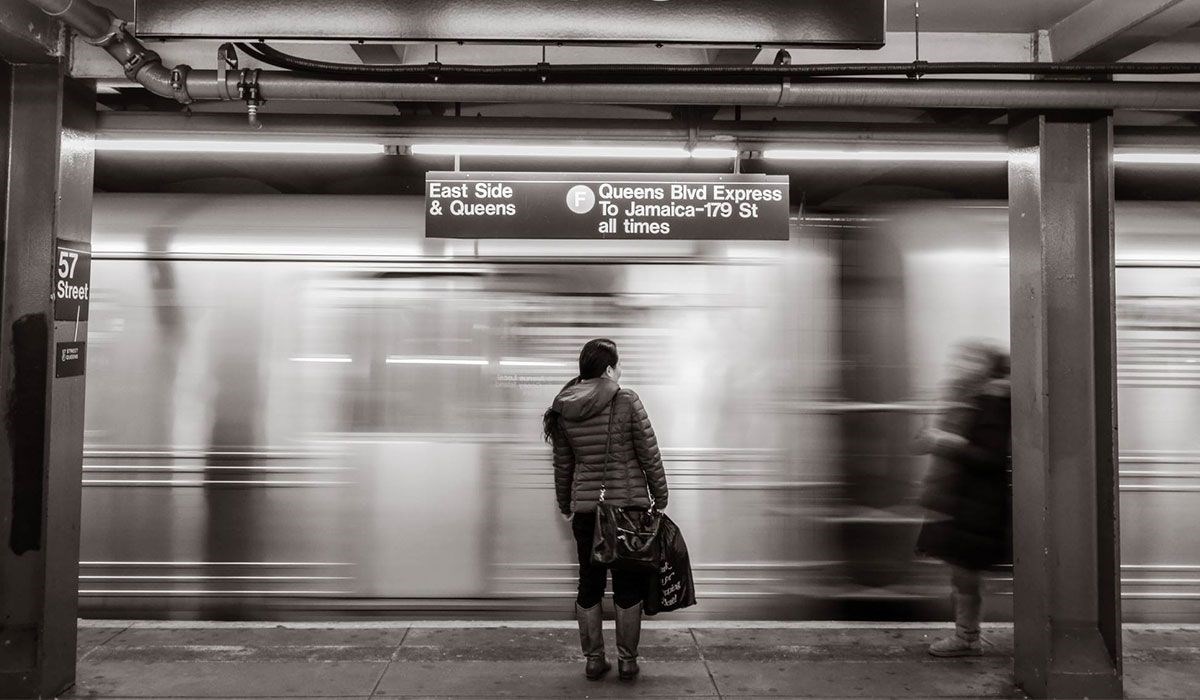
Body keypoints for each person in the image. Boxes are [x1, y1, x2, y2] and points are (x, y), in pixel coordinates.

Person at [543, 338, 669, 681]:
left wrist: (566, 504)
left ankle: (594, 660)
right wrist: (661, 496)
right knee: (628, 586)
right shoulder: (626, 400)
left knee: (589, 584)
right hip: (628, 512)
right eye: (618, 365)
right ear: (610, 368)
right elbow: (649, 453)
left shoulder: (564, 405)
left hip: (588, 512)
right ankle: (627, 661)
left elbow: (563, 465)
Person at [915, 340, 1012, 657]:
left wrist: (945, 442)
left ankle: (967, 637)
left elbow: (992, 457)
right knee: (961, 573)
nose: (961, 363)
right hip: (961, 501)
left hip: (978, 504)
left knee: (965, 574)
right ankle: (966, 634)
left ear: (988, 367)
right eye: (961, 357)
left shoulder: (994, 402)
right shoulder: (967, 397)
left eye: (971, 359)